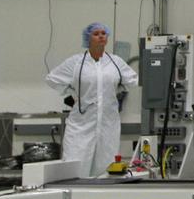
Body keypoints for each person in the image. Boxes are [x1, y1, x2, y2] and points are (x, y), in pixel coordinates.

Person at [44, 22, 138, 177]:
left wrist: (118, 90)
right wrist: (71, 94)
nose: (101, 36)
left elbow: (132, 81)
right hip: (81, 124)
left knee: (106, 168)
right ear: (88, 38)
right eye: (96, 34)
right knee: (76, 165)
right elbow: (52, 79)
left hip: (108, 125)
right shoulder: (76, 63)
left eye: (103, 33)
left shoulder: (115, 62)